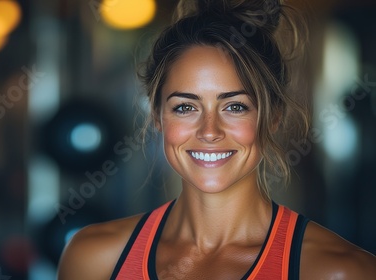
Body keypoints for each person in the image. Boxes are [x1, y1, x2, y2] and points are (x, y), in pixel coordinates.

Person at [57, 0, 376, 279]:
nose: (210, 131)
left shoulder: (339, 272)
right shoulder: (93, 261)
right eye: (185, 107)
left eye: (235, 106)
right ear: (157, 117)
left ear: (273, 116)